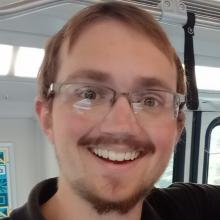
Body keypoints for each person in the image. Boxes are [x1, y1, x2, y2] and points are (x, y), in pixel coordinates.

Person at [5, 1, 220, 220]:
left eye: (149, 100)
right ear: (47, 117)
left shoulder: (195, 209)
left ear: (177, 127)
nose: (121, 126)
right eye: (90, 94)